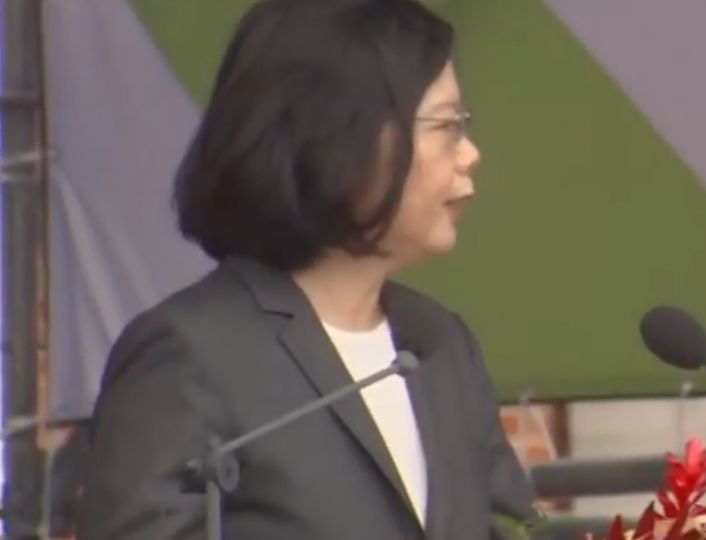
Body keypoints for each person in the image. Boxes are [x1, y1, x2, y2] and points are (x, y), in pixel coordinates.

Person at [76, 0, 539, 538]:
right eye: (447, 125)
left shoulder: (441, 344)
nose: (470, 153)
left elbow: (511, 524)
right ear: (339, 136)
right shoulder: (189, 358)